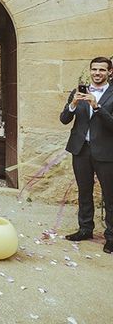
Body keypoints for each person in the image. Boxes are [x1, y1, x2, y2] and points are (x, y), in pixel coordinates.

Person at [60, 56, 113, 254]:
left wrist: (97, 107)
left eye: (102, 70)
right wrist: (73, 104)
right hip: (81, 149)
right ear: (90, 71)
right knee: (84, 191)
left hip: (106, 151)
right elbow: (64, 119)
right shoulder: (78, 92)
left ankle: (111, 237)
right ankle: (85, 229)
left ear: (110, 72)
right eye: (94, 69)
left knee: (110, 195)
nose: (97, 73)